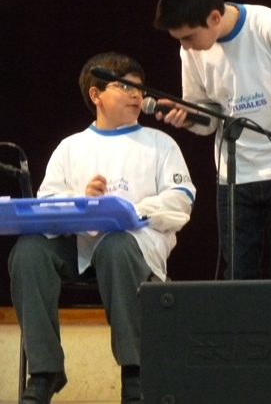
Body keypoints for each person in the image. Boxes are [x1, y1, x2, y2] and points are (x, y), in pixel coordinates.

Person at [9, 52, 196, 404]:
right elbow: (48, 203)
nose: (136, 95)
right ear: (96, 95)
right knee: (29, 251)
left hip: (133, 247)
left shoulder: (159, 144)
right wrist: (83, 200)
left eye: (139, 89)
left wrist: (128, 211)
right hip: (77, 244)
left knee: (115, 244)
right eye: (124, 87)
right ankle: (45, 371)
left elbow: (181, 201)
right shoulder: (71, 147)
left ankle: (134, 373)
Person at [152, 0, 271, 280]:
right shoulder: (189, 52)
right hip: (236, 173)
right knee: (237, 272)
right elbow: (209, 118)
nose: (186, 47)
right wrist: (189, 117)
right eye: (180, 40)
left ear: (214, 16)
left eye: (190, 37)